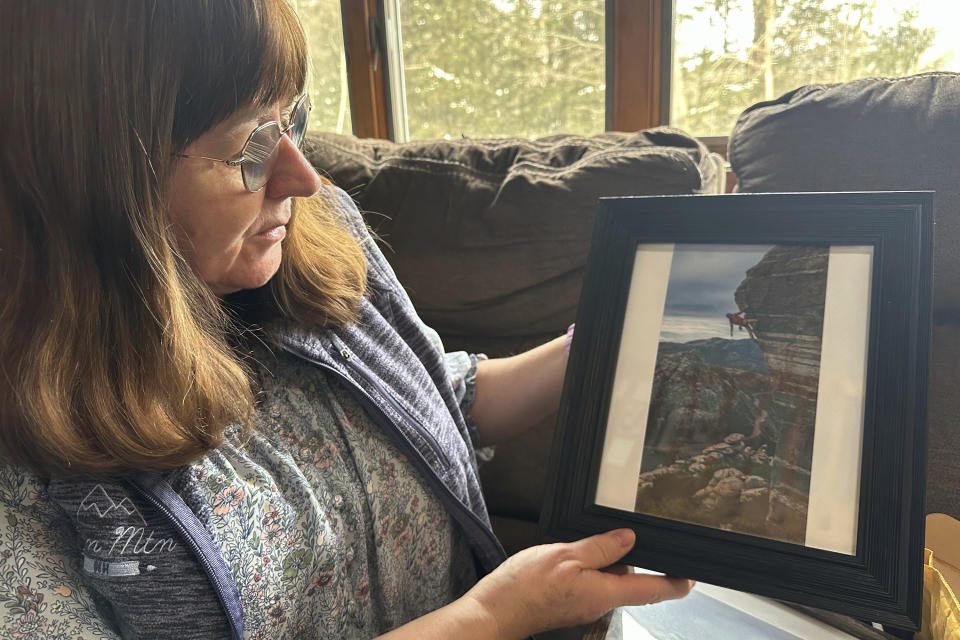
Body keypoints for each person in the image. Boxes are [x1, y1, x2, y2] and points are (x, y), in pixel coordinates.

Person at [0, 1, 693, 638]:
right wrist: (491, 615)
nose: (303, 178)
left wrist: (602, 348)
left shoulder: (314, 234)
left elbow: (431, 401)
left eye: (293, 120)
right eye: (250, 146)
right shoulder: (26, 463)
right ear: (96, 179)